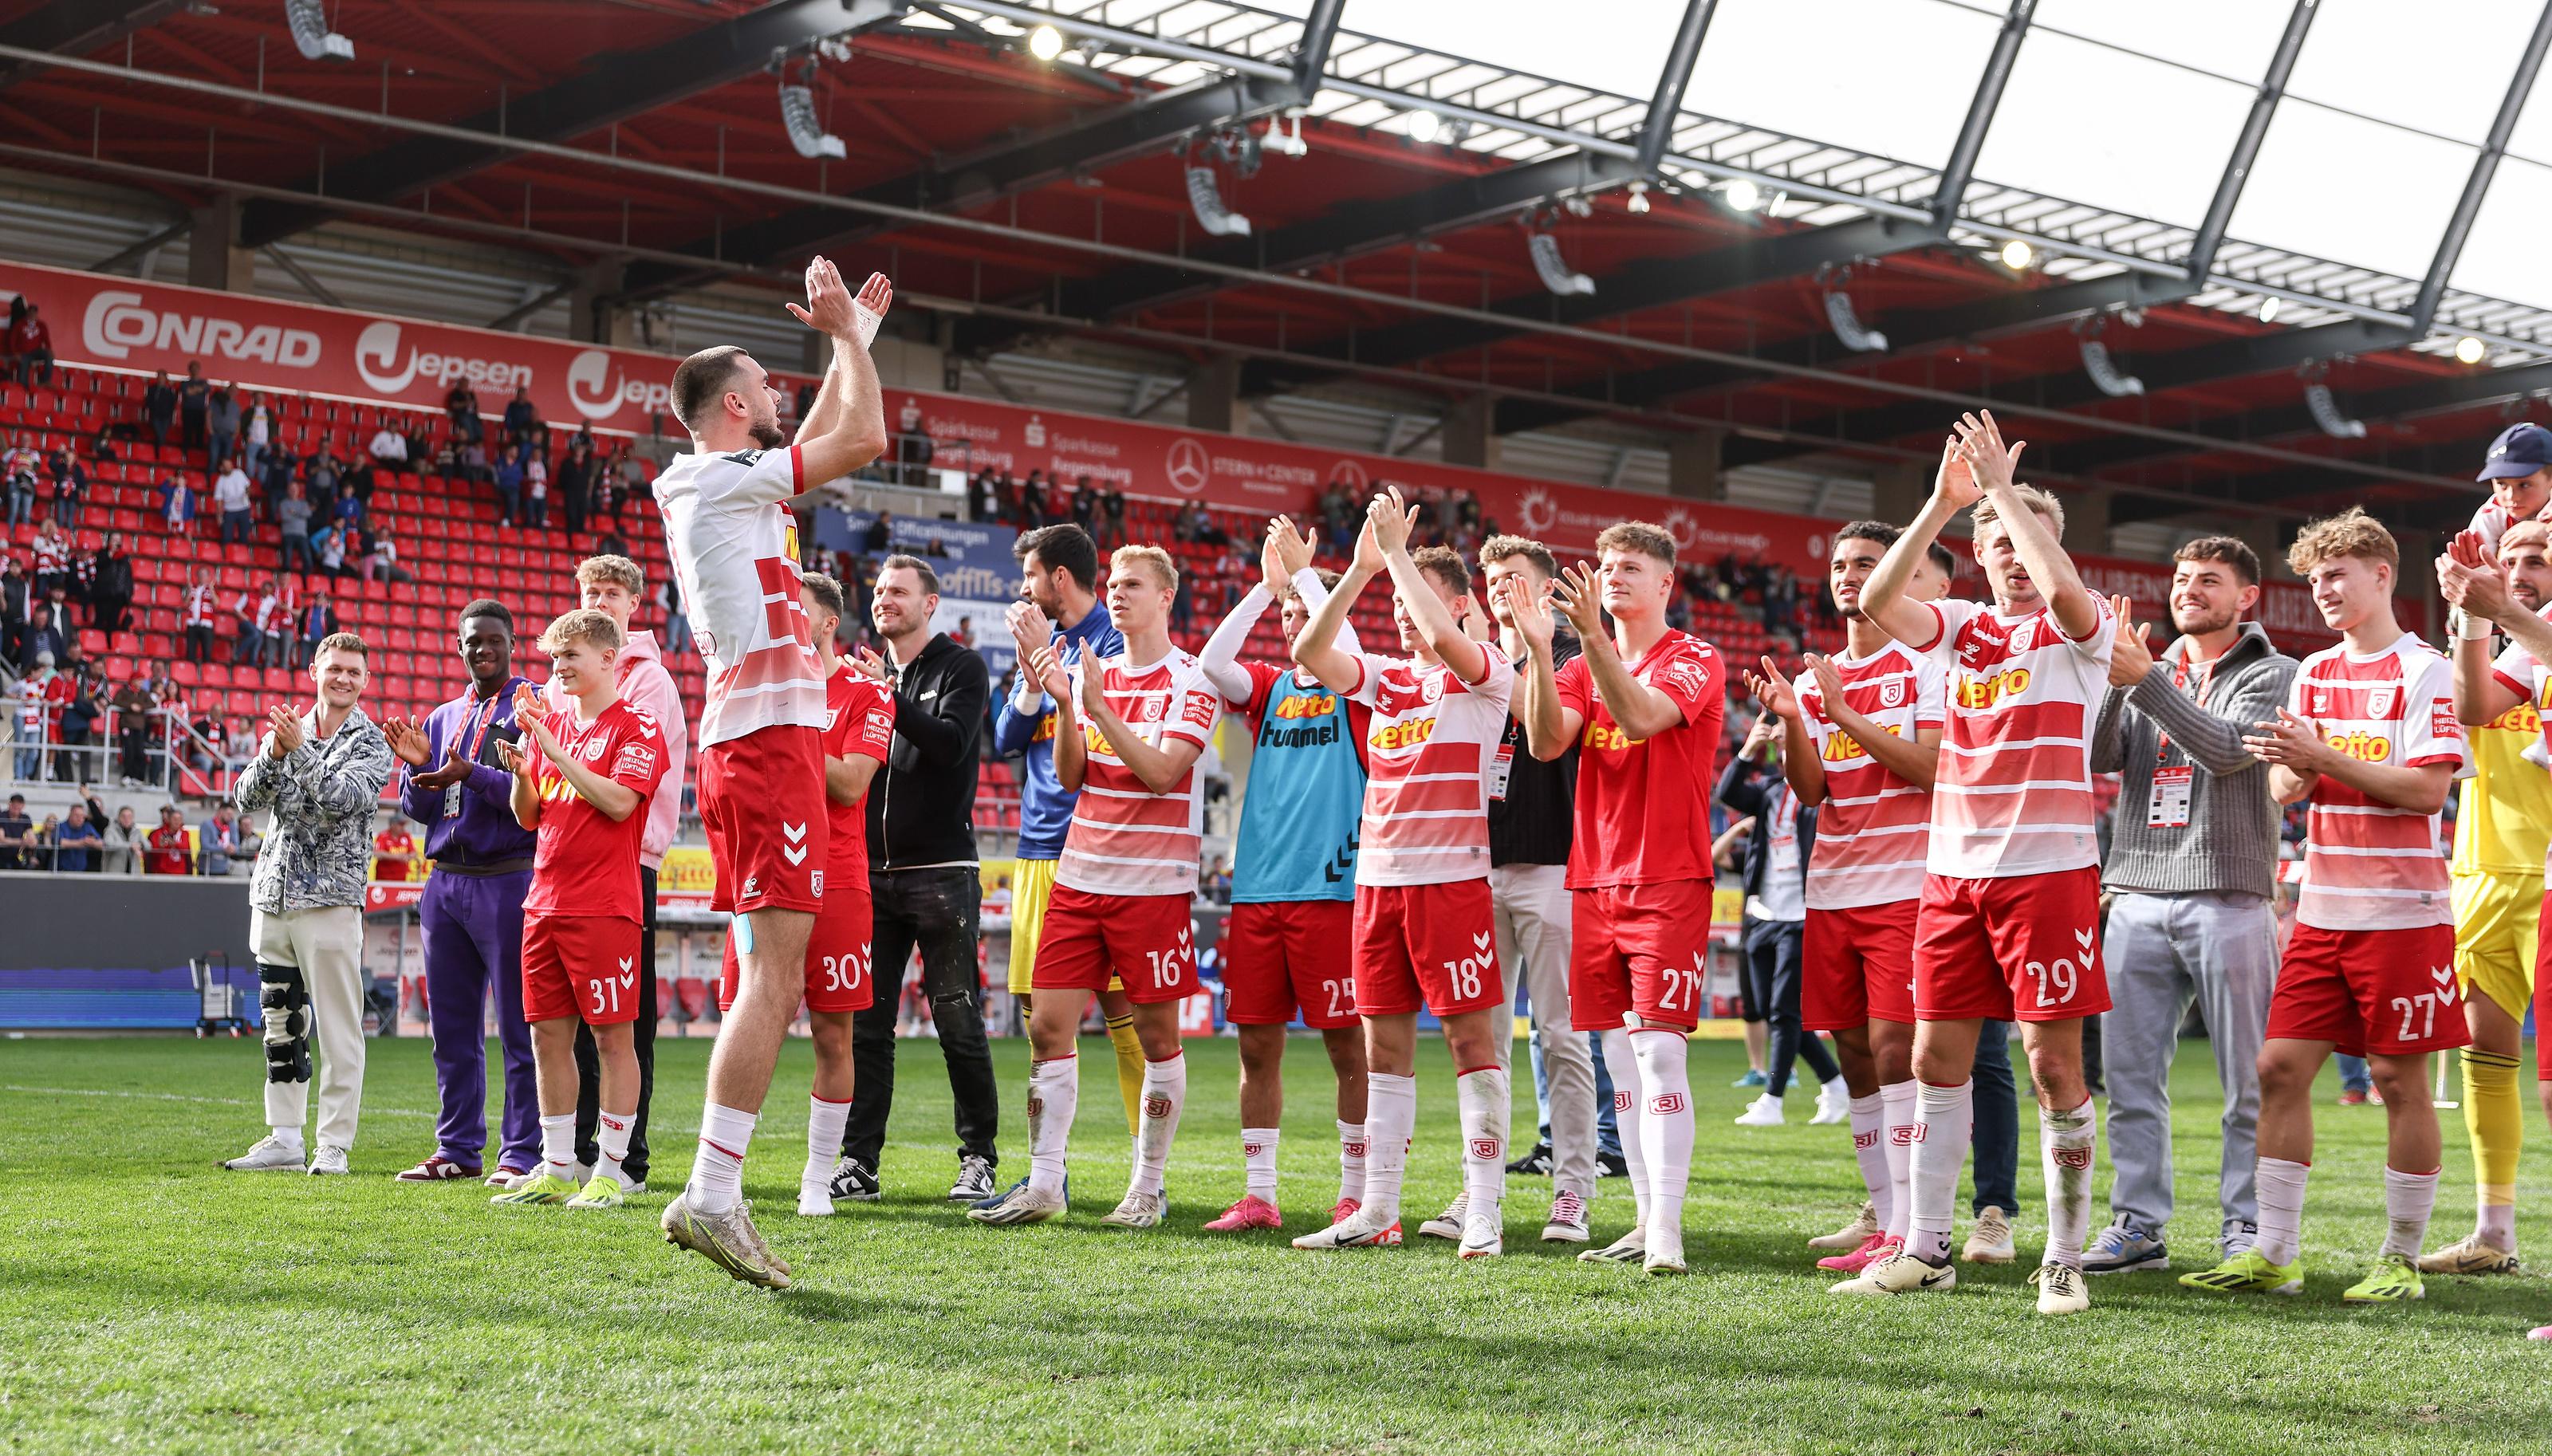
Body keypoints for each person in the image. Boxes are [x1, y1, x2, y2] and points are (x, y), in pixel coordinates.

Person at [1833, 415, 2113, 1316]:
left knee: (2049, 1066)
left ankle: (2062, 1258)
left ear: (2043, 543)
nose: (1999, 552)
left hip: (2047, 872)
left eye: (2013, 538)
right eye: (1987, 542)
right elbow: (1879, 598)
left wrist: (1998, 490)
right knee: (1931, 1055)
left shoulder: (2081, 629)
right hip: (1952, 875)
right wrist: (1942, 502)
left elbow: (2062, 591)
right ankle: (1924, 1247)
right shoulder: (1961, 630)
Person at [654, 255, 892, 1288]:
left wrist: (857, 343)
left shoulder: (722, 482)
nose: (779, 396)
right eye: (767, 380)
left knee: (776, 976)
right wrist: (844, 340)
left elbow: (826, 438)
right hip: (762, 747)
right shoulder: (712, 475)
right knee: (776, 979)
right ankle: (711, 1193)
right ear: (735, 402)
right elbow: (862, 439)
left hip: (757, 742)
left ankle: (716, 1189)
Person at [2180, 508, 2467, 1305]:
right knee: (2277, 1068)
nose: (2323, 590)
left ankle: (2398, 1258)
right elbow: (2280, 787)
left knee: (2396, 1079)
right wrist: (2296, 770)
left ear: (2382, 574)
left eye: (2336, 574)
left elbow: (2425, 790)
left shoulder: (2424, 670)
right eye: (2313, 579)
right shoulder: (2310, 672)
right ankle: (2273, 1251)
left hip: (2403, 910)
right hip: (2321, 908)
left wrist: (2323, 756)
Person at [1285, 490, 1516, 1258]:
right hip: (1378, 884)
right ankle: (1376, 1209)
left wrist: (1401, 568)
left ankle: (1483, 1206)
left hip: (1451, 882)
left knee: (1469, 1043)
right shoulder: (1389, 680)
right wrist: (1357, 571)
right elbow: (1311, 656)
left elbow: (1451, 643)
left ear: (1458, 607)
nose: (1408, 620)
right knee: (1384, 1049)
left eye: (1424, 606)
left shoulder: (1487, 676)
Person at [968, 545, 1218, 1231]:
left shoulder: (1191, 681)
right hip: (1079, 877)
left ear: (1166, 597)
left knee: (1158, 1036)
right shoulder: (1087, 673)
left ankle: (1147, 1187)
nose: (1117, 593)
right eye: (1112, 583)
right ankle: (1046, 1183)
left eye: (1133, 584)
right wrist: (1067, 702)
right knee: (1047, 1027)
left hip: (1152, 887)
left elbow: (1164, 774)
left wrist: (1099, 707)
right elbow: (1073, 775)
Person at [2074, 539, 2299, 1278]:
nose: (2190, 590)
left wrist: (2143, 681)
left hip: (2229, 896)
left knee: (2248, 1080)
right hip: (2136, 892)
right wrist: (2117, 675)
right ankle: (2137, 1224)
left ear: (2248, 598)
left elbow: (2228, 750)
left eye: (2210, 581)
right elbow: (2101, 756)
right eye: (2181, 580)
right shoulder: (2154, 668)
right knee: (2130, 1079)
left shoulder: (2274, 672)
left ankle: (2247, 1228)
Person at [1511, 520, 1724, 1277]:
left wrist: (1588, 638)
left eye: (1632, 567)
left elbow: (1638, 717)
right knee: (1619, 1062)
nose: (1615, 577)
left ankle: (1666, 1231)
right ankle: (1641, 1220)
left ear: (1667, 584)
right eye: (1606, 567)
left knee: (1660, 1052)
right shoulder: (1573, 663)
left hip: (1667, 878)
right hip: (1592, 881)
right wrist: (1540, 648)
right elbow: (1543, 744)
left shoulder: (1695, 657)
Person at [1747, 525, 1951, 1269]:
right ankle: (1886, 1223)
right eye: (1839, 565)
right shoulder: (1814, 677)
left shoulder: (1925, 665)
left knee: (1900, 1049)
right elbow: (1809, 791)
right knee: (1855, 1052)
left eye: (1865, 564)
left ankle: (1918, 1229)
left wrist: (1844, 716)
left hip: (1907, 885)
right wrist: (1798, 724)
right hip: (1831, 887)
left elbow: (1931, 770)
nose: (1848, 575)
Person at [1187, 517, 1371, 1234]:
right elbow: (1210, 662)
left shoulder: (1359, 684)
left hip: (1331, 889)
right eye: (1290, 616)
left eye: (1308, 612)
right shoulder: (1265, 687)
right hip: (1260, 891)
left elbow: (1339, 646)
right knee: (1256, 1044)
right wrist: (1271, 588)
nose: (1298, 622)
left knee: (1344, 1046)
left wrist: (1308, 578)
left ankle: (1355, 1192)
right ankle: (1259, 1195)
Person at [720, 572, 894, 1218]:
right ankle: (723, 1172)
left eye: (798, 612)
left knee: (833, 1036)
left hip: (838, 878)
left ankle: (818, 1181)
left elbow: (850, 784)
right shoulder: (757, 688)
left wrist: (787, 738)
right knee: (748, 1018)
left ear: (827, 625)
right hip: (762, 873)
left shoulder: (866, 694)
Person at [482, 612, 667, 1211]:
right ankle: (558, 1166)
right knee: (546, 1039)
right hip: (544, 902)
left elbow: (618, 803)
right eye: (556, 659)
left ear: (610, 658)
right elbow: (529, 817)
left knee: (616, 1042)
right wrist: (522, 771)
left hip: (604, 905)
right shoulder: (553, 724)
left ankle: (610, 1172)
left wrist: (555, 752)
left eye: (573, 657)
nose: (560, 669)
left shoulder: (638, 726)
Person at [829, 555, 999, 1206]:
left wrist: (887, 698)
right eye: (877, 591)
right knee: (867, 1024)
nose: (883, 600)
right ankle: (860, 1161)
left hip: (942, 873)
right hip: (870, 873)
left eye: (898, 591)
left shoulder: (962, 667)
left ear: (930, 603)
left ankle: (979, 1157)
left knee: (957, 1018)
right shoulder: (864, 676)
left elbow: (952, 744)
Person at [2416, 520, 2552, 1277]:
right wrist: (2473, 616)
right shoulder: (2506, 660)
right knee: (2484, 1056)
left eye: (2540, 560)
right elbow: (2467, 709)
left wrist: (2498, 610)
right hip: (2483, 872)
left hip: (2545, 874)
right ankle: (2494, 1230)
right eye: (2514, 559)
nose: (2523, 569)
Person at [987, 523, 1142, 1177]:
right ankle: (1050, 1170)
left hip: (1095, 845)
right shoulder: (1042, 643)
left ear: (1058, 578)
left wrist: (1050, 659)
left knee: (1122, 1013)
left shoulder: (1113, 640)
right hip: (1035, 849)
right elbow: (1004, 739)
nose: (1023, 589)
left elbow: (1101, 716)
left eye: (1030, 576)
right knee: (1036, 1017)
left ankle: (1146, 1171)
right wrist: (1029, 671)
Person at [1479, 534, 1622, 1219]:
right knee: (1483, 1042)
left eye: (1515, 578)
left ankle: (1573, 1190)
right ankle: (1481, 1191)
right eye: (1493, 580)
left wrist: (1532, 650)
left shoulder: (1578, 658)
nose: (1502, 589)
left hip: (1556, 867)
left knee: (1560, 1036)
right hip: (1480, 867)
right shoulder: (1478, 660)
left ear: (1546, 590)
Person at [219, 634, 397, 1176]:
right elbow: (244, 799)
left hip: (330, 901)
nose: (343, 678)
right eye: (335, 668)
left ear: (365, 681)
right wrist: (275, 752)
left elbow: (345, 799)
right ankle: (285, 1138)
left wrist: (296, 749)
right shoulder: (287, 729)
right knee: (280, 1020)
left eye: (354, 672)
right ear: (314, 670)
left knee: (340, 1029)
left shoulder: (371, 741)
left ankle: (334, 1144)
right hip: (273, 893)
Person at [380, 603, 543, 1185]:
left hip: (509, 877)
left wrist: (469, 773)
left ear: (513, 643)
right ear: (458, 646)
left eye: (494, 640)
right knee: (451, 1029)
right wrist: (421, 767)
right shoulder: (445, 714)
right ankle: (457, 1150)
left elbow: (536, 797)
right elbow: (418, 805)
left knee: (521, 1026)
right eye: (474, 642)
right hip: (445, 881)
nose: (484, 650)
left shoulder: (533, 707)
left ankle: (521, 1152)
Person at [549, 555, 689, 1199]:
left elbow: (624, 775)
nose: (601, 600)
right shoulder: (566, 671)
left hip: (629, 859)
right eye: (590, 591)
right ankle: (575, 1155)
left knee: (623, 1021)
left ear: (636, 604)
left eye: (612, 593)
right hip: (569, 859)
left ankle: (626, 1158)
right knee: (569, 1019)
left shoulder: (646, 680)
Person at [1716, 712, 1845, 1128]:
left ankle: (1772, 1098)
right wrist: (1748, 749)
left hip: (1802, 914)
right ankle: (1835, 1084)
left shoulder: (1821, 791)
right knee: (1776, 1013)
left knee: (1784, 1011)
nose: (1780, 740)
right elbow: (1728, 791)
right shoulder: (1770, 790)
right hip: (1762, 913)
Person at [214, 457, 253, 546]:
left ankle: (242, 556)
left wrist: (247, 493)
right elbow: (219, 500)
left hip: (244, 509)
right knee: (227, 537)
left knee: (244, 537)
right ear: (221, 468)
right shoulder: (220, 481)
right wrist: (219, 516)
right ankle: (227, 555)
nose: (229, 466)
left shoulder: (239, 473)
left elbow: (248, 486)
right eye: (226, 465)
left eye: (230, 464)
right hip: (230, 511)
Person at [141, 804, 189, 875]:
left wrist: (174, 844)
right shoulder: (156, 833)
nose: (177, 822)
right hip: (161, 872)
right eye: (174, 819)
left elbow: (186, 849)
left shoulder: (184, 833)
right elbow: (151, 854)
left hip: (180, 873)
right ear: (169, 820)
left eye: (179, 819)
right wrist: (161, 847)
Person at [53, 801, 99, 872]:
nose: (80, 819)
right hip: (62, 872)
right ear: (70, 815)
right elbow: (61, 842)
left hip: (82, 872)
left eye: (82, 816)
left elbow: (102, 843)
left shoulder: (87, 827)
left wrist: (92, 843)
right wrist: (82, 843)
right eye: (77, 816)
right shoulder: (61, 827)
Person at [99, 805, 141, 874]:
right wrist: (130, 846)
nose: (127, 819)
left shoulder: (136, 831)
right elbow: (108, 843)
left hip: (132, 873)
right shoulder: (110, 830)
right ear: (119, 817)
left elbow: (148, 845)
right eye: (123, 816)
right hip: (114, 873)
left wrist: (139, 845)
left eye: (129, 817)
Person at [178, 360, 209, 453]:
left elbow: (206, 388)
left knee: (199, 434)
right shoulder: (185, 383)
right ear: (189, 370)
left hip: (200, 411)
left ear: (199, 370)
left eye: (196, 368)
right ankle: (186, 454)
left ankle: (197, 455)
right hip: (188, 411)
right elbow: (187, 392)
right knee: (187, 433)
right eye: (193, 369)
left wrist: (193, 390)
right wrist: (199, 389)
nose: (195, 371)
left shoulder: (204, 382)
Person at [143, 371, 176, 448]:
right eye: (159, 377)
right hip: (156, 416)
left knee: (162, 435)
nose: (161, 379)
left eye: (162, 377)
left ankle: (160, 451)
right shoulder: (152, 389)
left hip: (166, 417)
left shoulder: (169, 391)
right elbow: (148, 402)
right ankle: (161, 451)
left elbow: (172, 404)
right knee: (160, 434)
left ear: (165, 379)